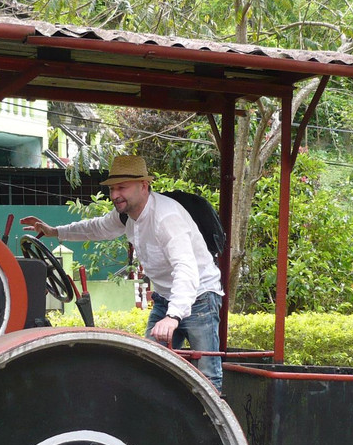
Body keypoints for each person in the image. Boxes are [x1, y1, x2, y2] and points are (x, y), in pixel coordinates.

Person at [21, 155, 225, 392]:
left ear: (143, 186)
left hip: (199, 296)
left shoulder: (166, 218)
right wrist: (54, 231)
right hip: (166, 298)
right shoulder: (127, 215)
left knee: (209, 377)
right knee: (149, 367)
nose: (115, 195)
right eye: (112, 188)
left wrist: (174, 316)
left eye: (122, 187)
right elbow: (95, 228)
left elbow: (185, 267)